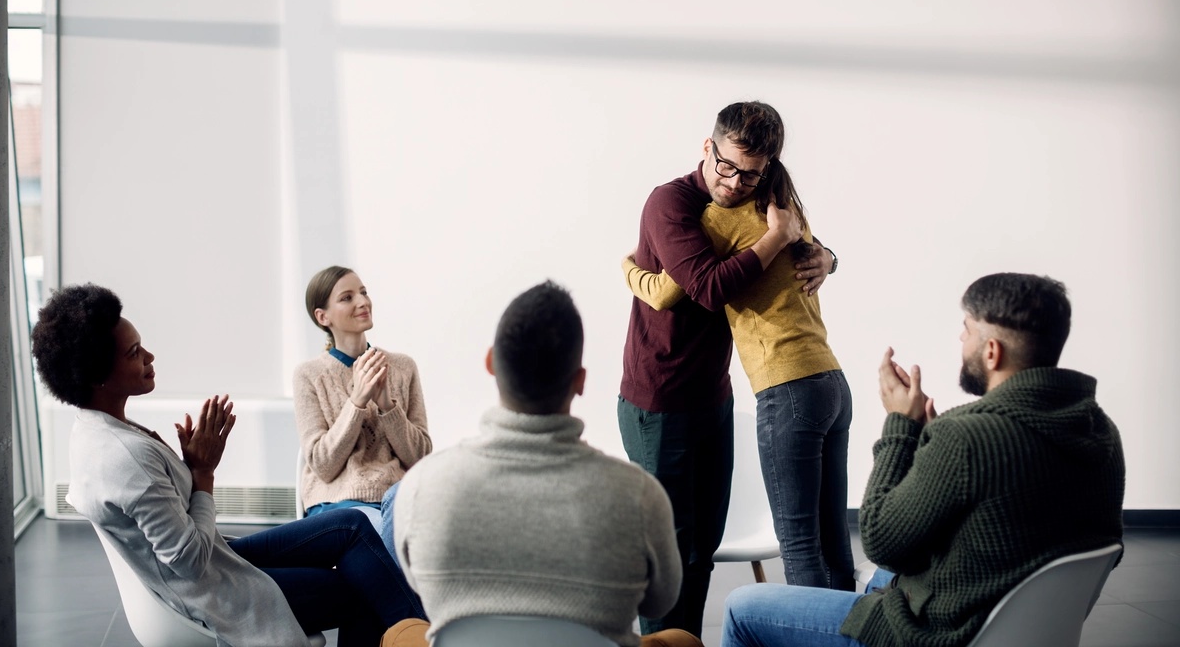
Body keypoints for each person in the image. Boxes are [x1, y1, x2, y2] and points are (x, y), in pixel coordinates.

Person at [721, 273, 1126, 647]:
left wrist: (901, 426)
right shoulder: (1100, 430)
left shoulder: (969, 436)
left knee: (742, 607)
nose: (959, 339)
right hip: (1016, 621)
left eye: (965, 330)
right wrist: (933, 447)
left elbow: (883, 542)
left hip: (941, 633)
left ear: (991, 351)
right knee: (878, 579)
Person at [32, 283, 425, 647]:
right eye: (134, 353)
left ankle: (413, 630)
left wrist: (190, 469)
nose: (149, 357)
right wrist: (202, 474)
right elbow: (188, 560)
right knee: (360, 589)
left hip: (214, 557)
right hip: (208, 588)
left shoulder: (99, 428)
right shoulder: (124, 455)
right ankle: (417, 632)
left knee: (350, 526)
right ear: (97, 375)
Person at [385, 281, 701, 647]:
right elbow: (659, 602)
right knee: (681, 640)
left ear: (491, 362)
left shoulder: (422, 485)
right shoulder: (639, 495)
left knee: (401, 633)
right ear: (579, 382)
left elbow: (419, 585)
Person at [619, 101, 836, 633]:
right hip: (659, 399)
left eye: (751, 174)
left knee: (702, 546)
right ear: (707, 148)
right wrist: (775, 239)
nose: (736, 183)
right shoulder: (669, 203)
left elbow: (795, 243)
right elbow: (708, 288)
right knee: (669, 548)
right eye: (727, 166)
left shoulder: (764, 200)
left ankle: (685, 642)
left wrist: (827, 256)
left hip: (714, 395)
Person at [294, 266, 432, 522]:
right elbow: (323, 465)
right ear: (323, 317)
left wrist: (387, 407)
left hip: (397, 503)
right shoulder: (308, 375)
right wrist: (356, 401)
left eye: (363, 292)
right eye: (347, 298)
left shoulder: (403, 367)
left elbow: (420, 458)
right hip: (336, 507)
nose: (362, 302)